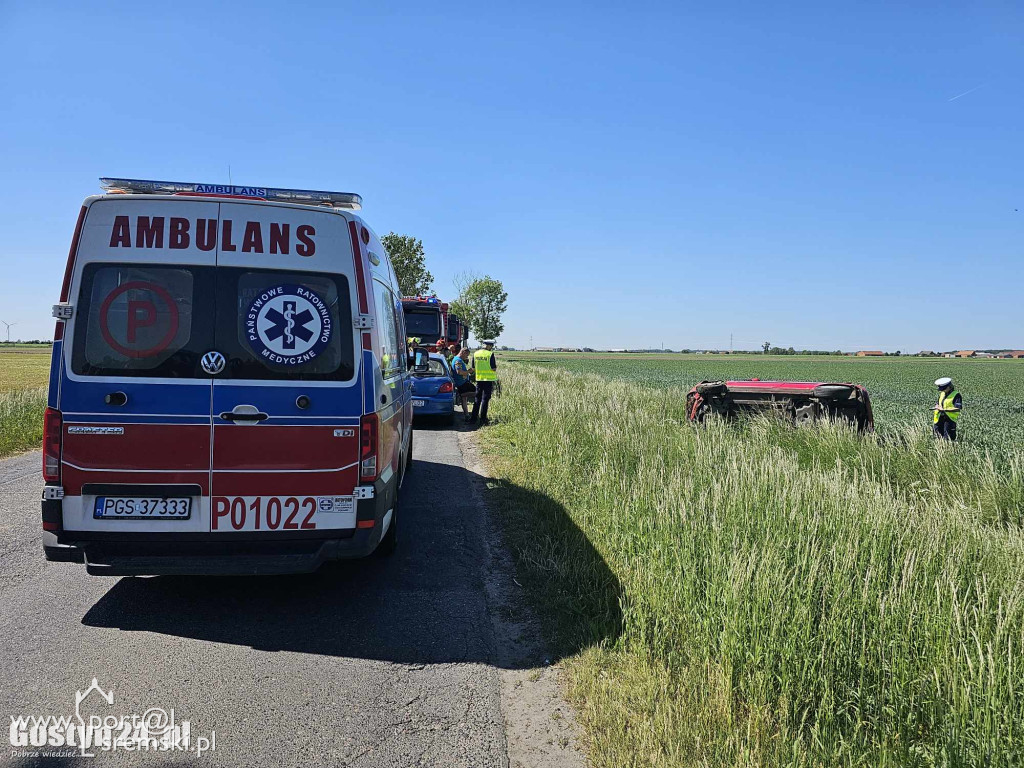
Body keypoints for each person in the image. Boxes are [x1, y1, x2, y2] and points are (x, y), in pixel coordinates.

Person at [470, 340, 498, 425]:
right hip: (488, 380)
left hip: (479, 379)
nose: (491, 348)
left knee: (477, 399)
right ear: (489, 346)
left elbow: (473, 367)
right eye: (491, 346)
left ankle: (473, 418)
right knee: (485, 399)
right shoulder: (490, 354)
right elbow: (493, 368)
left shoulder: (475, 354)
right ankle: (483, 419)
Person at [450, 347, 476, 421]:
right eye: (466, 355)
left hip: (462, 382)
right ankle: (460, 395)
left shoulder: (457, 359)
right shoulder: (458, 360)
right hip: (462, 383)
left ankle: (467, 415)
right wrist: (469, 371)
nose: (466, 357)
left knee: (464, 400)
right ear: (463, 352)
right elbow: (459, 372)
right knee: (477, 393)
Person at [932, 377, 962, 441]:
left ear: (949, 387)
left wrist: (944, 410)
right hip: (939, 419)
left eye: (944, 389)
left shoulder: (956, 395)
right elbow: (939, 403)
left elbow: (957, 408)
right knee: (937, 437)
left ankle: (948, 450)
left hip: (949, 420)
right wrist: (936, 406)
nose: (942, 390)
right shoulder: (942, 394)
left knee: (948, 439)